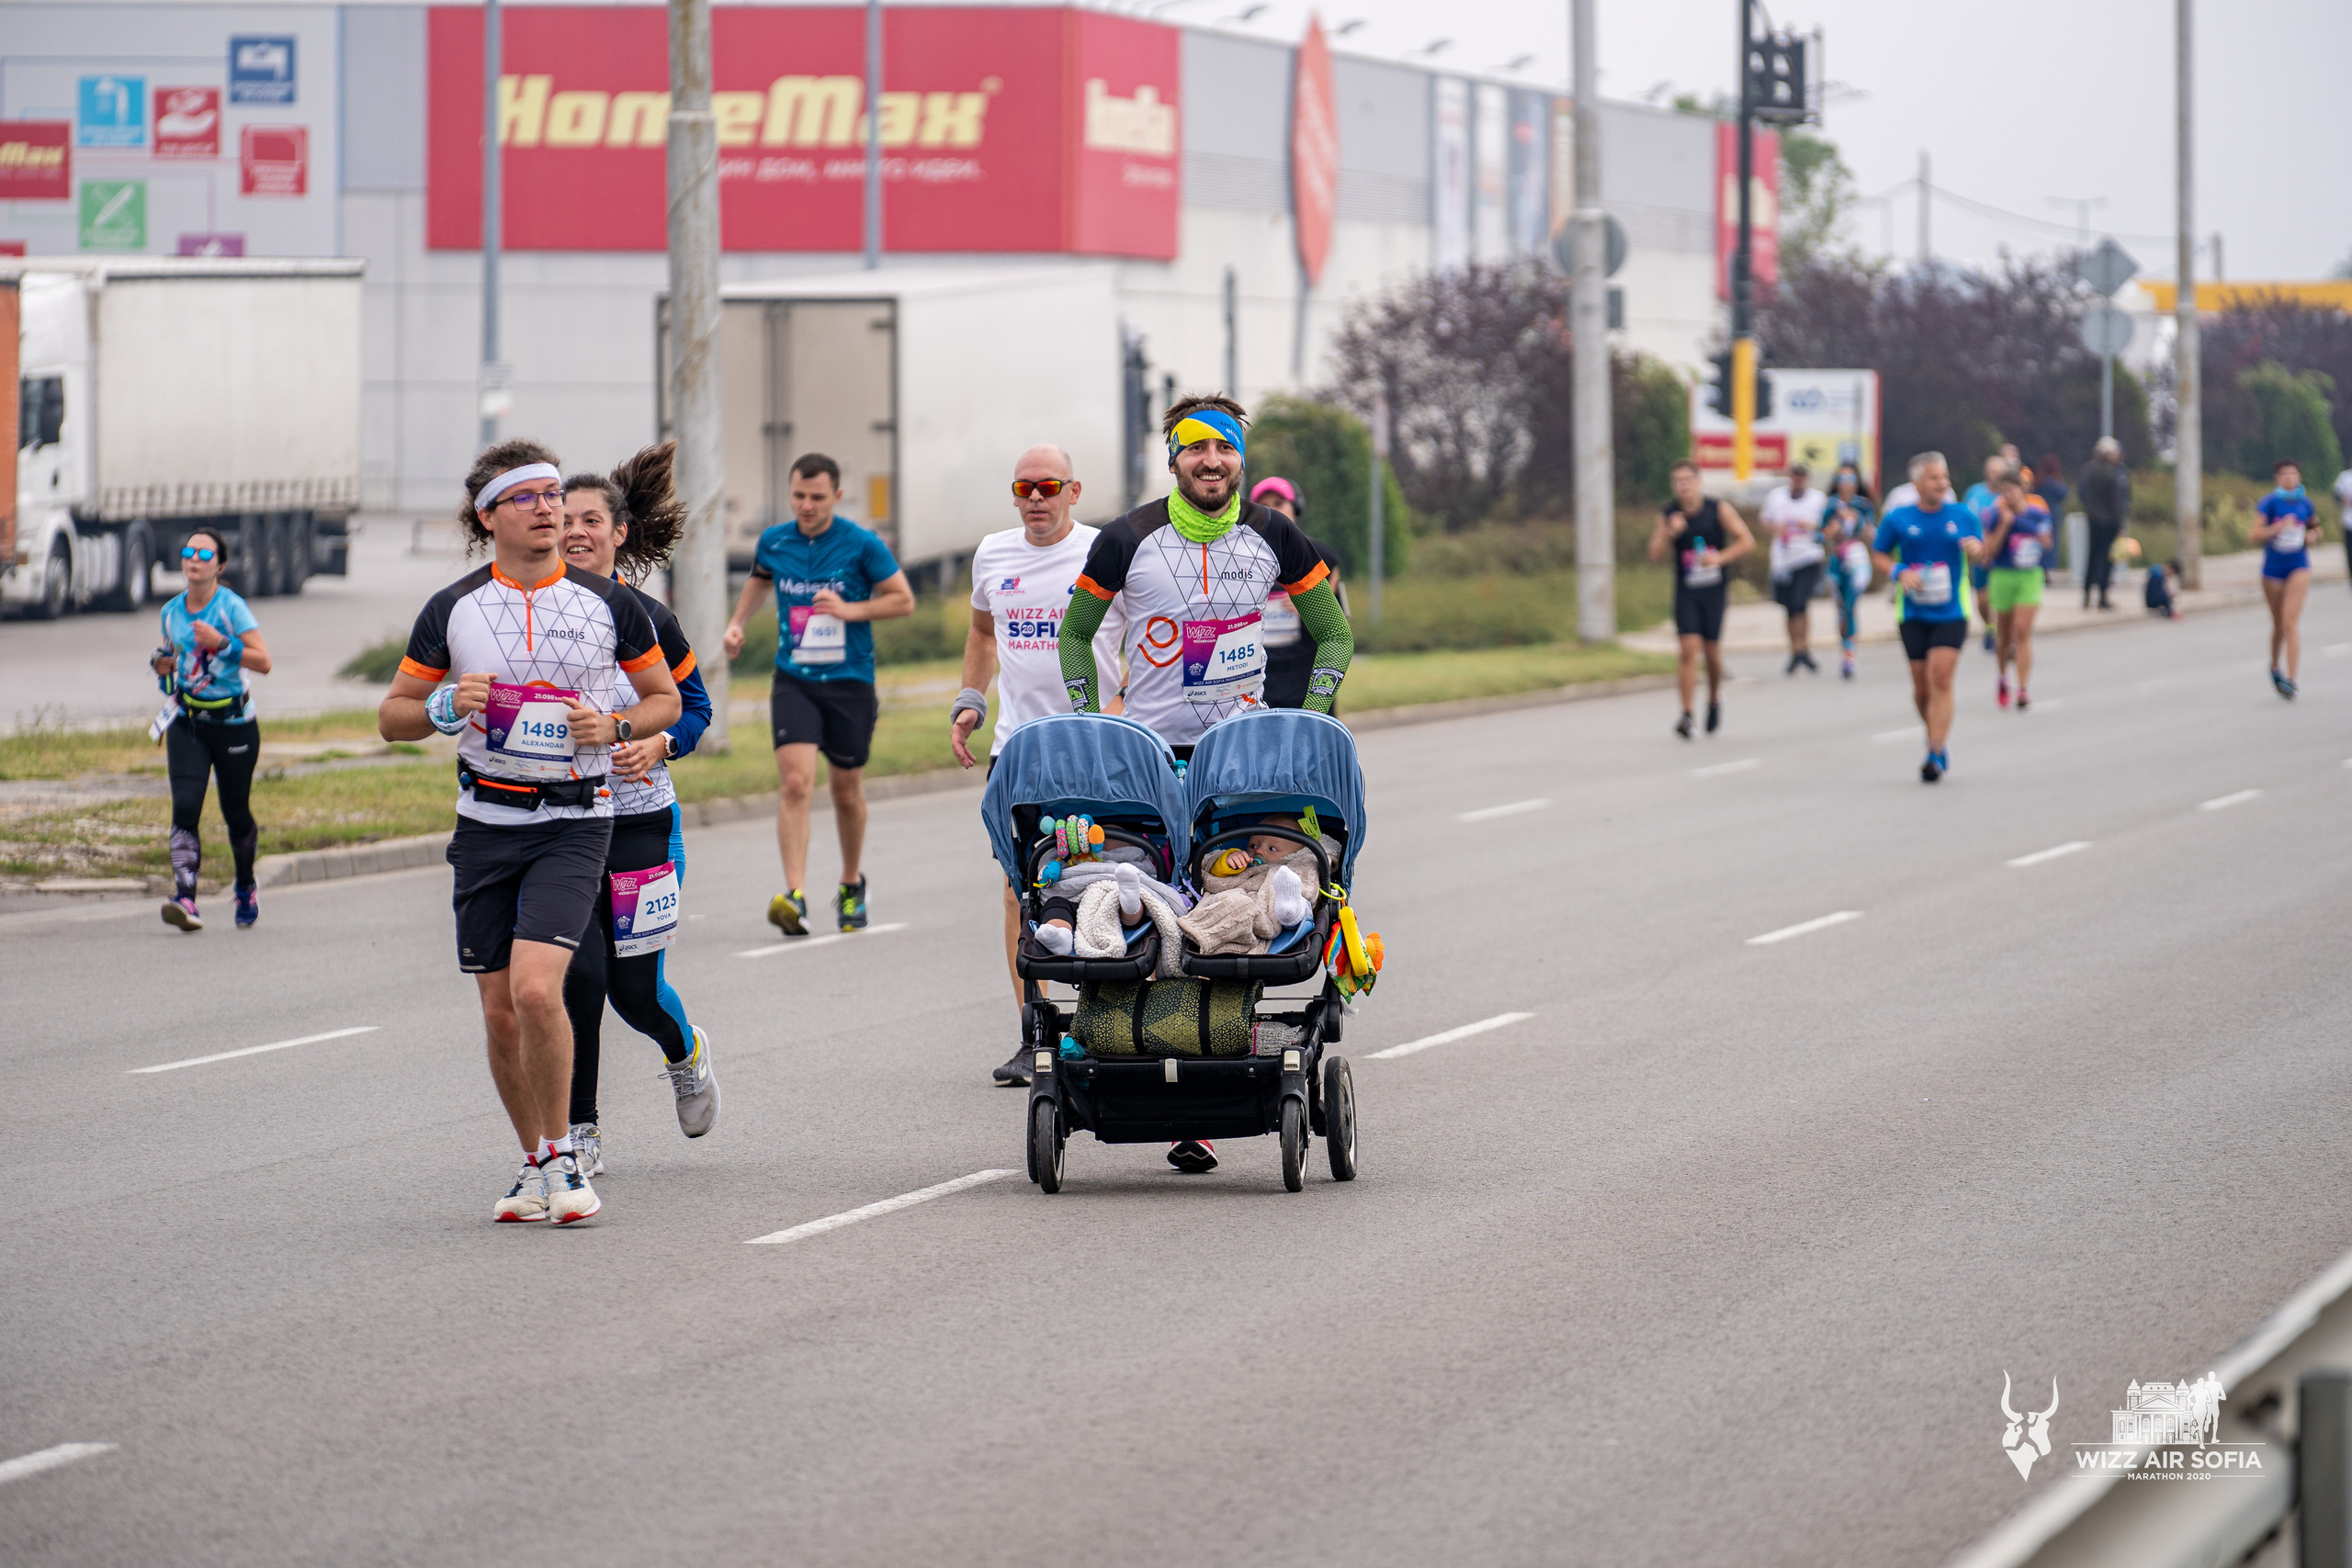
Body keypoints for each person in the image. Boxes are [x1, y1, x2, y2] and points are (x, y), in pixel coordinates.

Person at [379, 439, 682, 1226]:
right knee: (499, 1010)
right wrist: (444, 706)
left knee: (537, 988)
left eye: (552, 494)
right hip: (484, 823)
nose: (548, 508)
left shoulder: (610, 604)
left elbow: (667, 700)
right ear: (488, 515)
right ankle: (537, 1159)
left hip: (575, 820)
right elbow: (393, 716)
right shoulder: (453, 608)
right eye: (527, 497)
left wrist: (615, 724)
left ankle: (567, 1154)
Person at [1058, 392, 1354, 1174]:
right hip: (1152, 759)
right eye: (1196, 448)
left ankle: (1216, 1076)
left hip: (1242, 760)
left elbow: (1334, 631)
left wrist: (1306, 718)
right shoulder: (1128, 537)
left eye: (1224, 448)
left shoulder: (1273, 534)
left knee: (1234, 908)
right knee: (1157, 912)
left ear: (1240, 458)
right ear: (1174, 459)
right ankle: (1158, 1065)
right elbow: (1076, 635)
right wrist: (1092, 720)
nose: (1212, 461)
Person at [555, 445, 720, 1178]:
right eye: (565, 520)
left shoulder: (650, 618)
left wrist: (659, 743)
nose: (575, 531)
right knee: (579, 977)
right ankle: (579, 1130)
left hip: (643, 823)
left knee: (632, 990)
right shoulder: (540, 618)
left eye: (591, 519)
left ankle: (684, 1051)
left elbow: (696, 709)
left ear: (620, 532)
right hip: (564, 825)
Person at [952, 443, 1128, 1089]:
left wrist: (1119, 706)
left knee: (1099, 883)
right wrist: (970, 700)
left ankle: (1107, 1028)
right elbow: (982, 633)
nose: (1035, 499)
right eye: (1023, 488)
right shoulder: (993, 554)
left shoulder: (1102, 551)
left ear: (1073, 492)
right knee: (1018, 890)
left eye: (1048, 487)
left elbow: (1147, 635)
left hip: (1094, 745)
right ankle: (1036, 1034)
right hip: (1020, 749)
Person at [720, 453, 916, 938]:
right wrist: (737, 623)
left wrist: (850, 610)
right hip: (795, 679)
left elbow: (902, 600)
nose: (806, 505)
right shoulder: (774, 541)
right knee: (794, 783)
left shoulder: (862, 544)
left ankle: (851, 884)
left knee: (846, 791)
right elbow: (760, 580)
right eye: (799, 496)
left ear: (837, 496)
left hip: (850, 682)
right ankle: (795, 895)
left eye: (817, 497)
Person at [150, 526, 273, 931]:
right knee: (185, 809)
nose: (194, 560)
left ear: (219, 566)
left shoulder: (231, 608)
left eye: (205, 555)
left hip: (234, 726)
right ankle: (185, 898)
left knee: (235, 812)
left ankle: (245, 885)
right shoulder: (171, 612)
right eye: (189, 552)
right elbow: (173, 670)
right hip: (188, 723)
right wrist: (162, 669)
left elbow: (263, 661)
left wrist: (222, 643)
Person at [1871, 451, 1985, 783]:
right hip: (1913, 612)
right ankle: (1934, 732)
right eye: (1934, 478)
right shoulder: (1899, 518)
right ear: (1917, 484)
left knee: (1941, 678)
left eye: (1944, 477)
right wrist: (1899, 572)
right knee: (1922, 689)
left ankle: (1935, 751)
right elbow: (1879, 554)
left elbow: (1981, 551)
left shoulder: (1962, 515)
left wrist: (1977, 551)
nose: (1942, 483)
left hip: (1952, 611)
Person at [1648, 459, 1756, 738]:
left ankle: (1714, 697)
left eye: (1687, 480)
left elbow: (1747, 541)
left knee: (1711, 652)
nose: (1683, 486)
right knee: (1688, 650)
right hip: (1686, 590)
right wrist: (1668, 532)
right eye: (1678, 481)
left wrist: (1718, 558)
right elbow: (1655, 555)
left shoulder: (1717, 509)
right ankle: (1686, 714)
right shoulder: (1669, 514)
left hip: (1714, 590)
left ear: (1698, 482)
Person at [1248, 476, 1351, 708]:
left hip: (1305, 681)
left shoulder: (1322, 557)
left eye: (1279, 503)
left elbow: (1339, 632)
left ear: (1296, 507)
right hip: (1257, 685)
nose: (1272, 511)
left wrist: (1309, 605)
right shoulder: (1236, 560)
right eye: (1264, 506)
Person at [1983, 473, 2052, 710]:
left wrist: (2027, 527)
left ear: (2023, 489)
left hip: (2029, 575)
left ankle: (2023, 688)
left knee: (2022, 630)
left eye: (2012, 490)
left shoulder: (2037, 513)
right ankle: (2003, 677)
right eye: (2004, 491)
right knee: (2003, 635)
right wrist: (2005, 524)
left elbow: (2047, 543)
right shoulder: (1996, 515)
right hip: (2003, 574)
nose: (2008, 495)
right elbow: (1990, 551)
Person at [2254, 457, 2319, 699]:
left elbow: (2315, 527)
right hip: (2273, 569)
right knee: (2279, 625)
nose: (2289, 478)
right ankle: (2274, 665)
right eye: (2284, 474)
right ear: (2277, 478)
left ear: (2299, 477)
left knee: (2290, 621)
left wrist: (2313, 535)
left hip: (2298, 564)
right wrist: (2277, 528)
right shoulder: (2269, 503)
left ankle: (2291, 679)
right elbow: (2254, 534)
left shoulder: (2305, 502)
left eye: (2293, 474)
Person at [1761, 462, 1829, 674]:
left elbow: (1828, 526)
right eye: (1795, 476)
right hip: (1783, 559)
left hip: (1808, 556)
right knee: (1789, 607)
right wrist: (1775, 528)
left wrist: (1811, 525)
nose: (1798, 480)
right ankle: (1795, 650)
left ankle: (1805, 646)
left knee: (1801, 602)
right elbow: (1765, 522)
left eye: (1802, 476)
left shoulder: (1818, 499)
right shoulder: (1776, 497)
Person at [1821, 465, 1875, 679]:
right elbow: (1820, 535)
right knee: (1842, 608)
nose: (1846, 484)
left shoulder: (1863, 505)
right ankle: (1847, 653)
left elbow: (1873, 533)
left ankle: (1850, 653)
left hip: (1857, 557)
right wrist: (1831, 531)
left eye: (1850, 479)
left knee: (1851, 603)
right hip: (1836, 560)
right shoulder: (1830, 506)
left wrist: (1861, 524)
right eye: (1841, 480)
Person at [1961, 455, 2008, 651]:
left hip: (2002, 555)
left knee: (2001, 598)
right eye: (1991, 471)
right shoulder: (1974, 492)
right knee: (1982, 599)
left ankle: (2004, 633)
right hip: (1979, 553)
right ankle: (1990, 626)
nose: (1994, 476)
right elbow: (1964, 518)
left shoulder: (2007, 497)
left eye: (1998, 472)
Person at [2077, 437, 2131, 610]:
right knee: (2108, 559)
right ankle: (2103, 595)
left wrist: (2090, 511)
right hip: (2110, 522)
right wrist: (2120, 524)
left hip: (2093, 519)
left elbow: (2082, 493)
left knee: (2092, 556)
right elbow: (2116, 502)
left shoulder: (2088, 470)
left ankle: (2087, 593)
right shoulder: (2112, 474)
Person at [2334, 464, 2352, 590]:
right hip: (2349, 522)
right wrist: (2343, 499)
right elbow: (2336, 495)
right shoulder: (2345, 477)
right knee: (2350, 553)